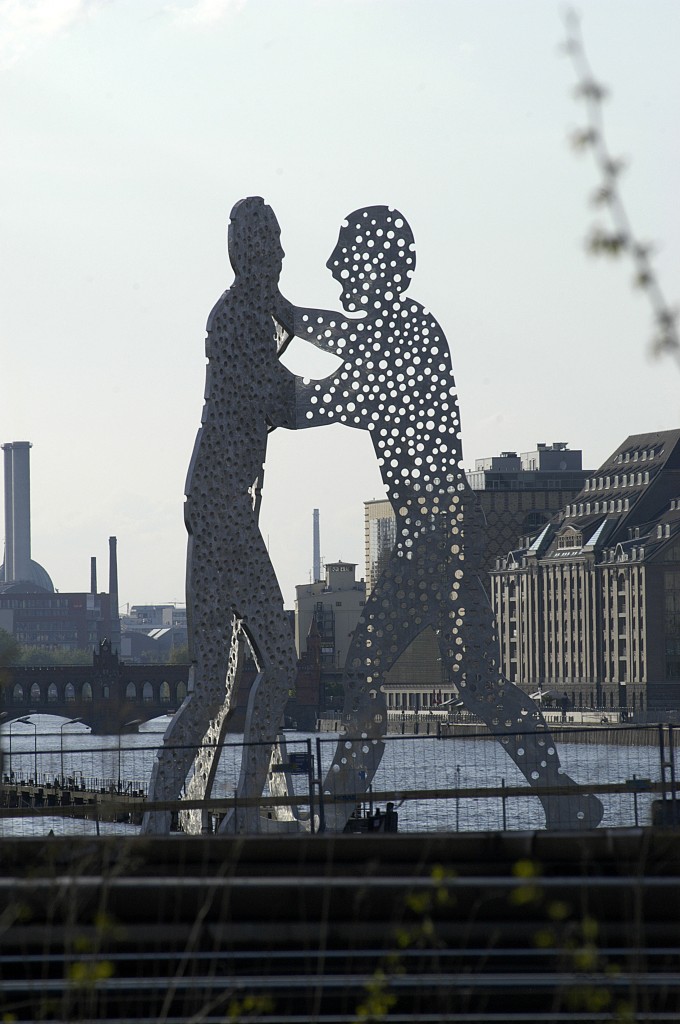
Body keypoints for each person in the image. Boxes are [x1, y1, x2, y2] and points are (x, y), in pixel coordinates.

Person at [291, 205, 603, 831]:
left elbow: (322, 399)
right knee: (479, 682)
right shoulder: (406, 330)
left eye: (345, 253)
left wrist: (267, 383)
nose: (332, 265)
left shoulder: (403, 339)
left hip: (432, 541)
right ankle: (561, 795)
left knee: (365, 667)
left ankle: (347, 793)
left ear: (378, 265)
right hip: (449, 535)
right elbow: (343, 337)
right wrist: (288, 316)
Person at [143, 197, 298, 834]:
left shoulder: (240, 313)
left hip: (213, 510)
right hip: (226, 516)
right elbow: (283, 398)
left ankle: (164, 819)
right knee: (279, 666)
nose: (285, 254)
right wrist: (362, 390)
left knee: (211, 686)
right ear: (253, 252)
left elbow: (281, 334)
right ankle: (249, 813)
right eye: (276, 244)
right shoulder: (241, 319)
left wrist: (291, 313)